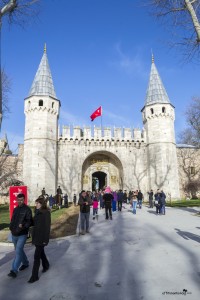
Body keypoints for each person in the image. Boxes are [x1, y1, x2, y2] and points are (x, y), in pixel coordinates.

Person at [8, 193, 33, 278]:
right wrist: (11, 227)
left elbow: (30, 221)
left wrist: (23, 226)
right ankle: (25, 263)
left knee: (18, 251)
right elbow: (12, 220)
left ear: (24, 200)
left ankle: (14, 270)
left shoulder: (27, 210)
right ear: (17, 200)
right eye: (18, 200)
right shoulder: (15, 209)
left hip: (22, 234)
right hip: (14, 233)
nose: (20, 201)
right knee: (19, 250)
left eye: (21, 200)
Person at [28, 197, 51, 283]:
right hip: (36, 236)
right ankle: (46, 265)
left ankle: (34, 276)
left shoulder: (46, 213)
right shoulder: (37, 212)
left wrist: (45, 240)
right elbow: (33, 223)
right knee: (41, 253)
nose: (36, 205)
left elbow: (47, 227)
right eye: (36, 203)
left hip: (42, 238)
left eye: (37, 203)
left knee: (36, 256)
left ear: (42, 204)